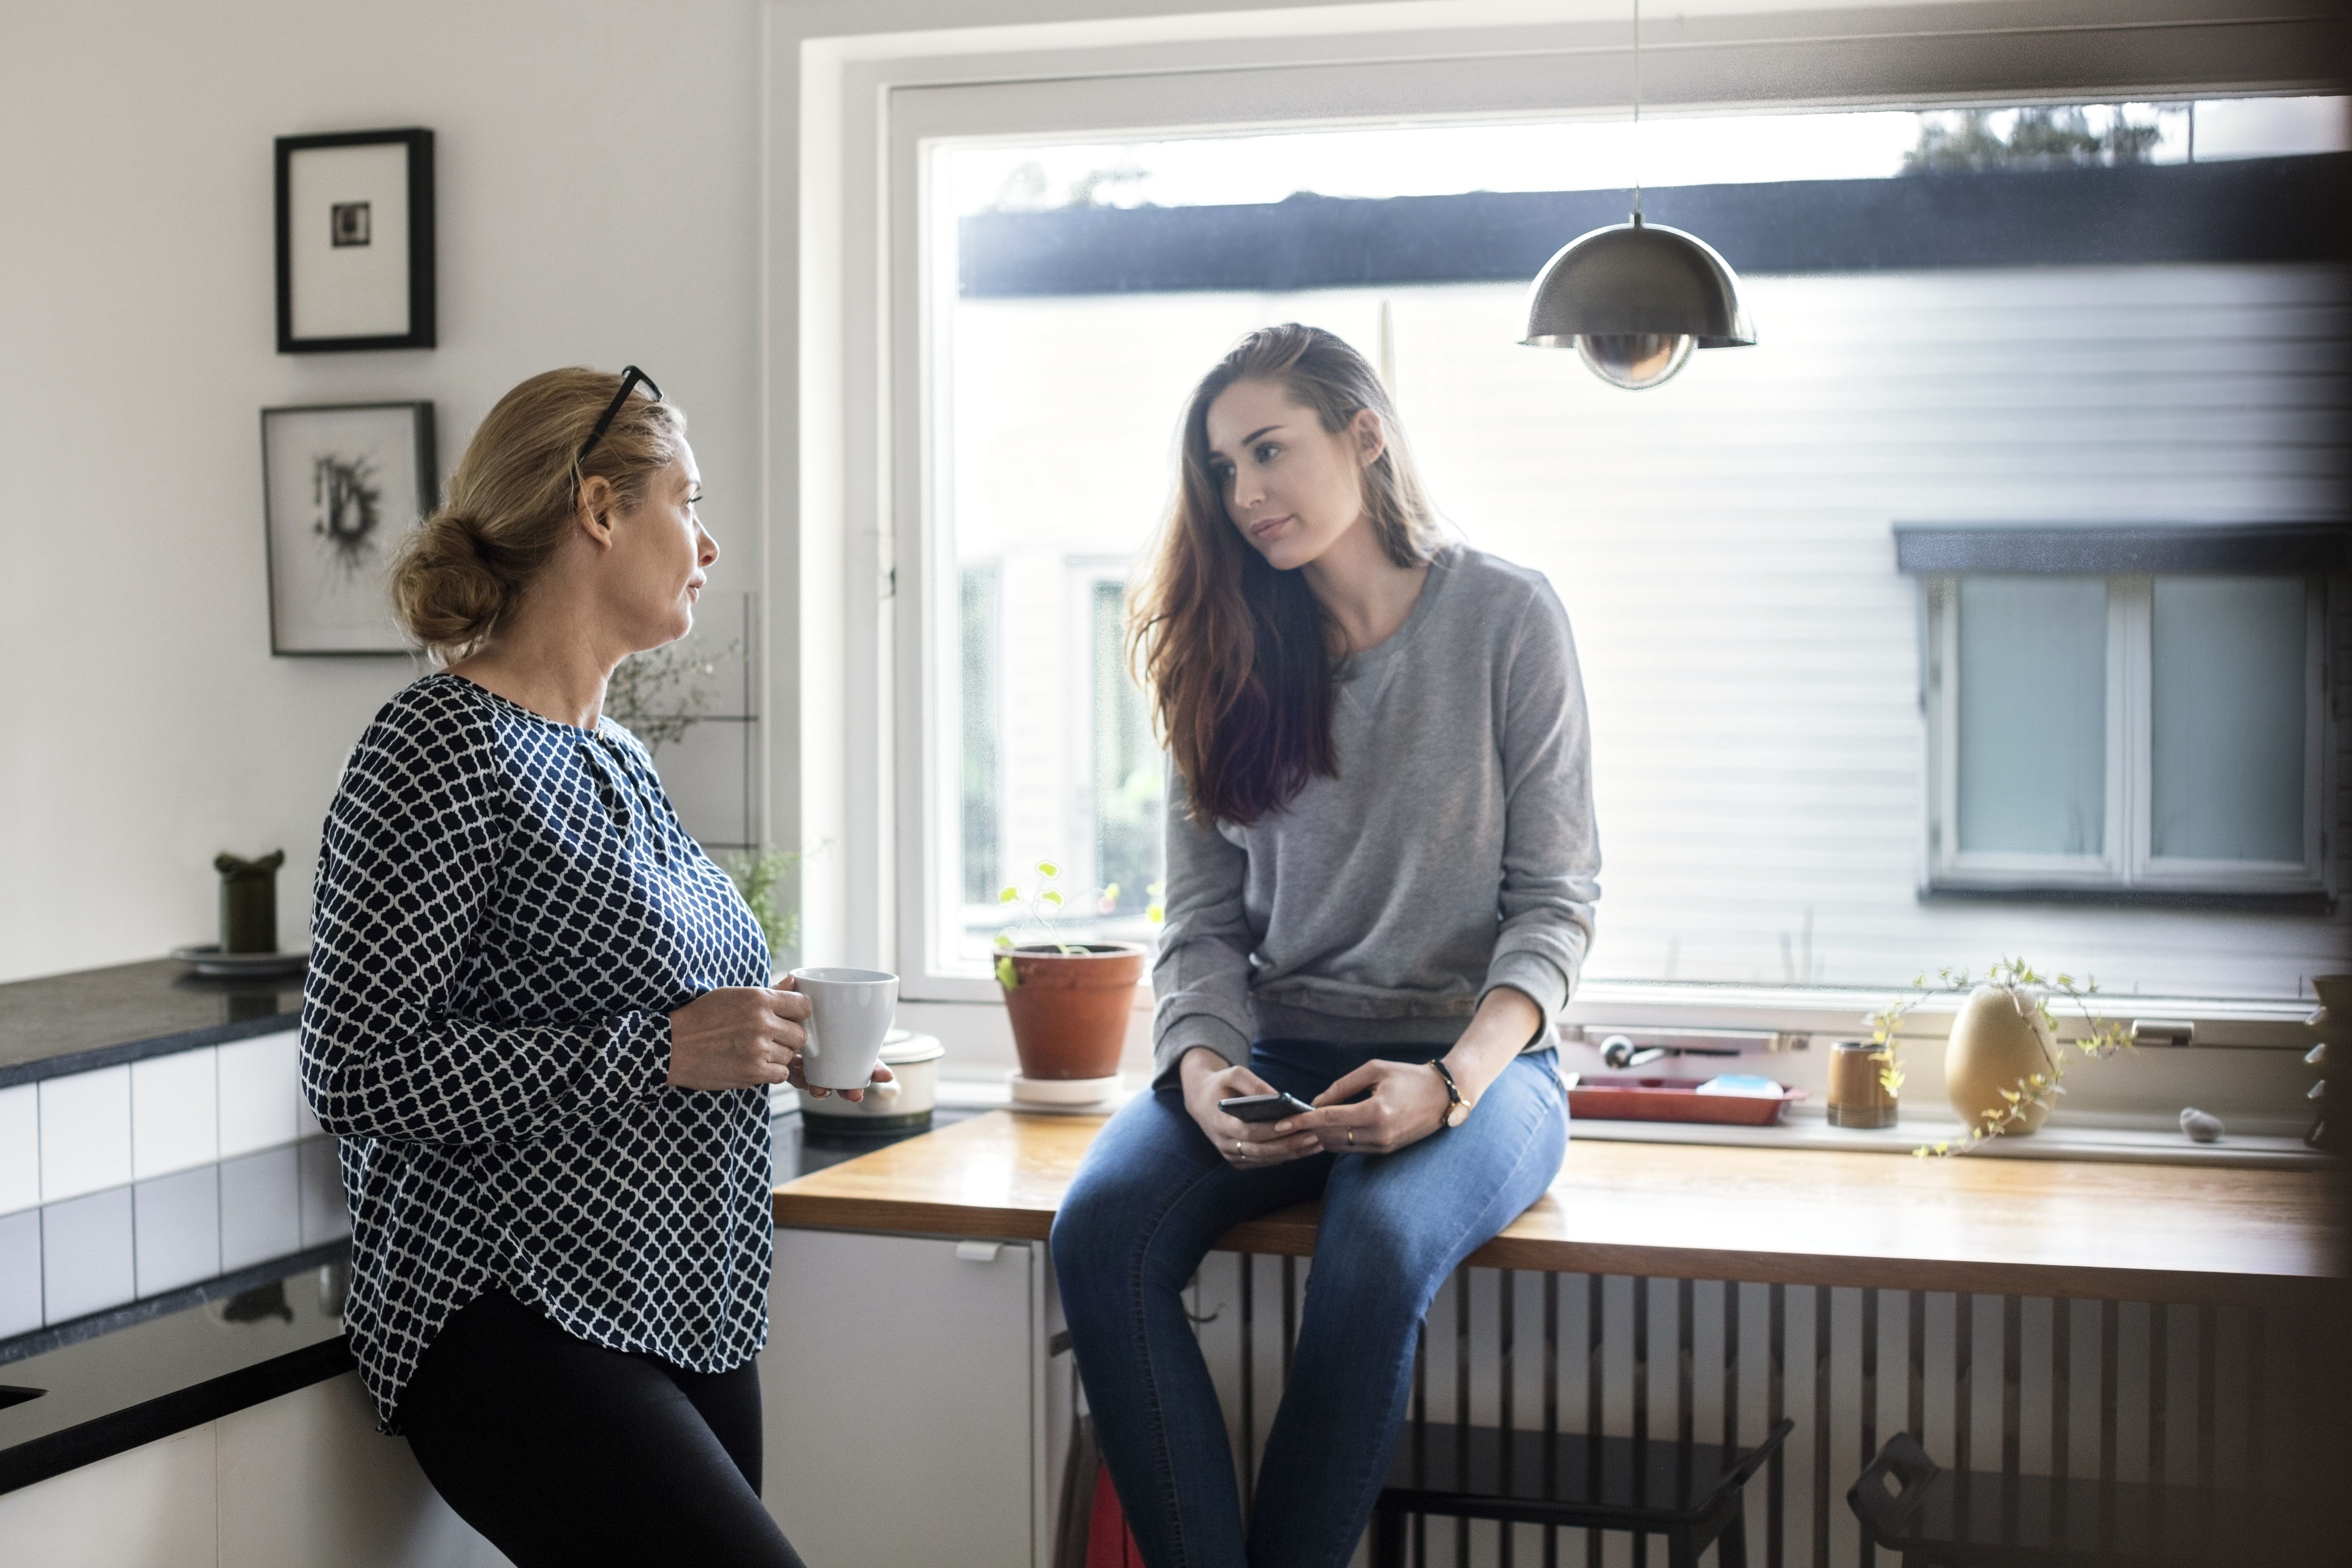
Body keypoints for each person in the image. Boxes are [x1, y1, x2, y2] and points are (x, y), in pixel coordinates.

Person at [300, 366, 880, 1568]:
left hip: (678, 1298)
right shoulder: (434, 745)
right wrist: (665, 1048)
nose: (709, 542)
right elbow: (355, 1068)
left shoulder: (612, 749)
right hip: (509, 1311)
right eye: (690, 500)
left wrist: (754, 1035)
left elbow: (637, 1000)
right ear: (601, 511)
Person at [1050, 324, 1600, 1567]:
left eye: (1267, 452)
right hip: (1276, 1054)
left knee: (1374, 1252)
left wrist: (1450, 1081)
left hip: (1479, 1069)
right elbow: (1199, 928)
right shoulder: (1223, 654)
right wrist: (1200, 1071)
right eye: (1222, 469)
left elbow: (1555, 903)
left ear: (1363, 436)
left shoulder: (1506, 617)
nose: (1243, 495)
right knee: (1097, 1237)